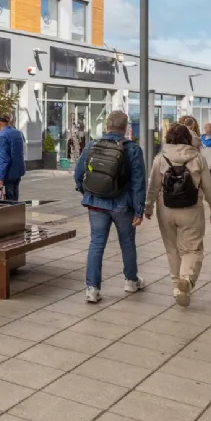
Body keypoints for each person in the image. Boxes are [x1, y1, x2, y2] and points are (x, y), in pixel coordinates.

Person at [74, 110, 146, 303]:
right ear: (125, 128)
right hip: (123, 205)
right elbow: (138, 183)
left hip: (96, 204)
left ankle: (92, 288)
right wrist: (139, 210)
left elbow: (78, 174)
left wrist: (87, 193)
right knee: (127, 243)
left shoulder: (92, 145)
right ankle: (131, 281)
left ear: (106, 126)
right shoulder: (133, 149)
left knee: (96, 243)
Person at [144, 124, 211, 307]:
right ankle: (186, 279)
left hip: (166, 209)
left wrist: (148, 208)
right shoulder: (198, 158)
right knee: (192, 249)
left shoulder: (160, 158)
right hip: (191, 209)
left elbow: (153, 186)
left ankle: (176, 287)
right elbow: (209, 188)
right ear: (188, 139)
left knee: (172, 249)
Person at [0, 113, 26, 203]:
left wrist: (0, 178)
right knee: (15, 197)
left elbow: (4, 159)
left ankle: (12, 215)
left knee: (9, 201)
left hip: (8, 174)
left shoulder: (2, 136)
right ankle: (16, 214)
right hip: (17, 171)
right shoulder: (17, 133)